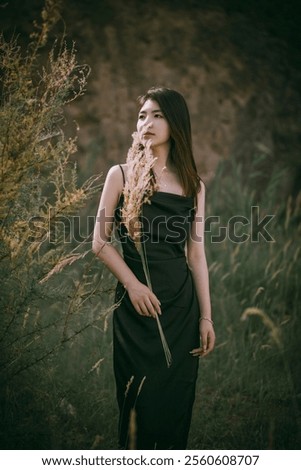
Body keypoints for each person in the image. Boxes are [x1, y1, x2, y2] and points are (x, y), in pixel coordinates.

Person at [92, 86, 215, 450]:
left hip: (180, 307)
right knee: (136, 406)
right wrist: (132, 285)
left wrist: (205, 317)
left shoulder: (194, 186)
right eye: (143, 115)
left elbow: (195, 255)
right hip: (136, 309)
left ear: (175, 122)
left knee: (175, 405)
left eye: (157, 115)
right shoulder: (121, 174)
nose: (147, 122)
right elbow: (99, 242)